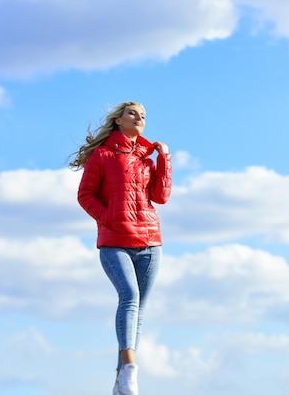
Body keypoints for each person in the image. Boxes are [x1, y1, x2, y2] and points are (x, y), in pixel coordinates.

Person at [69, 101, 172, 395]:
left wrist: (164, 157)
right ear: (118, 121)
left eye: (143, 116)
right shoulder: (102, 155)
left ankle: (120, 381)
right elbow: (85, 194)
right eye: (133, 113)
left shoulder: (147, 160)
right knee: (129, 296)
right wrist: (108, 217)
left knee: (139, 309)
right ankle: (129, 368)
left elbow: (161, 197)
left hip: (151, 242)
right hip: (115, 241)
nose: (139, 118)